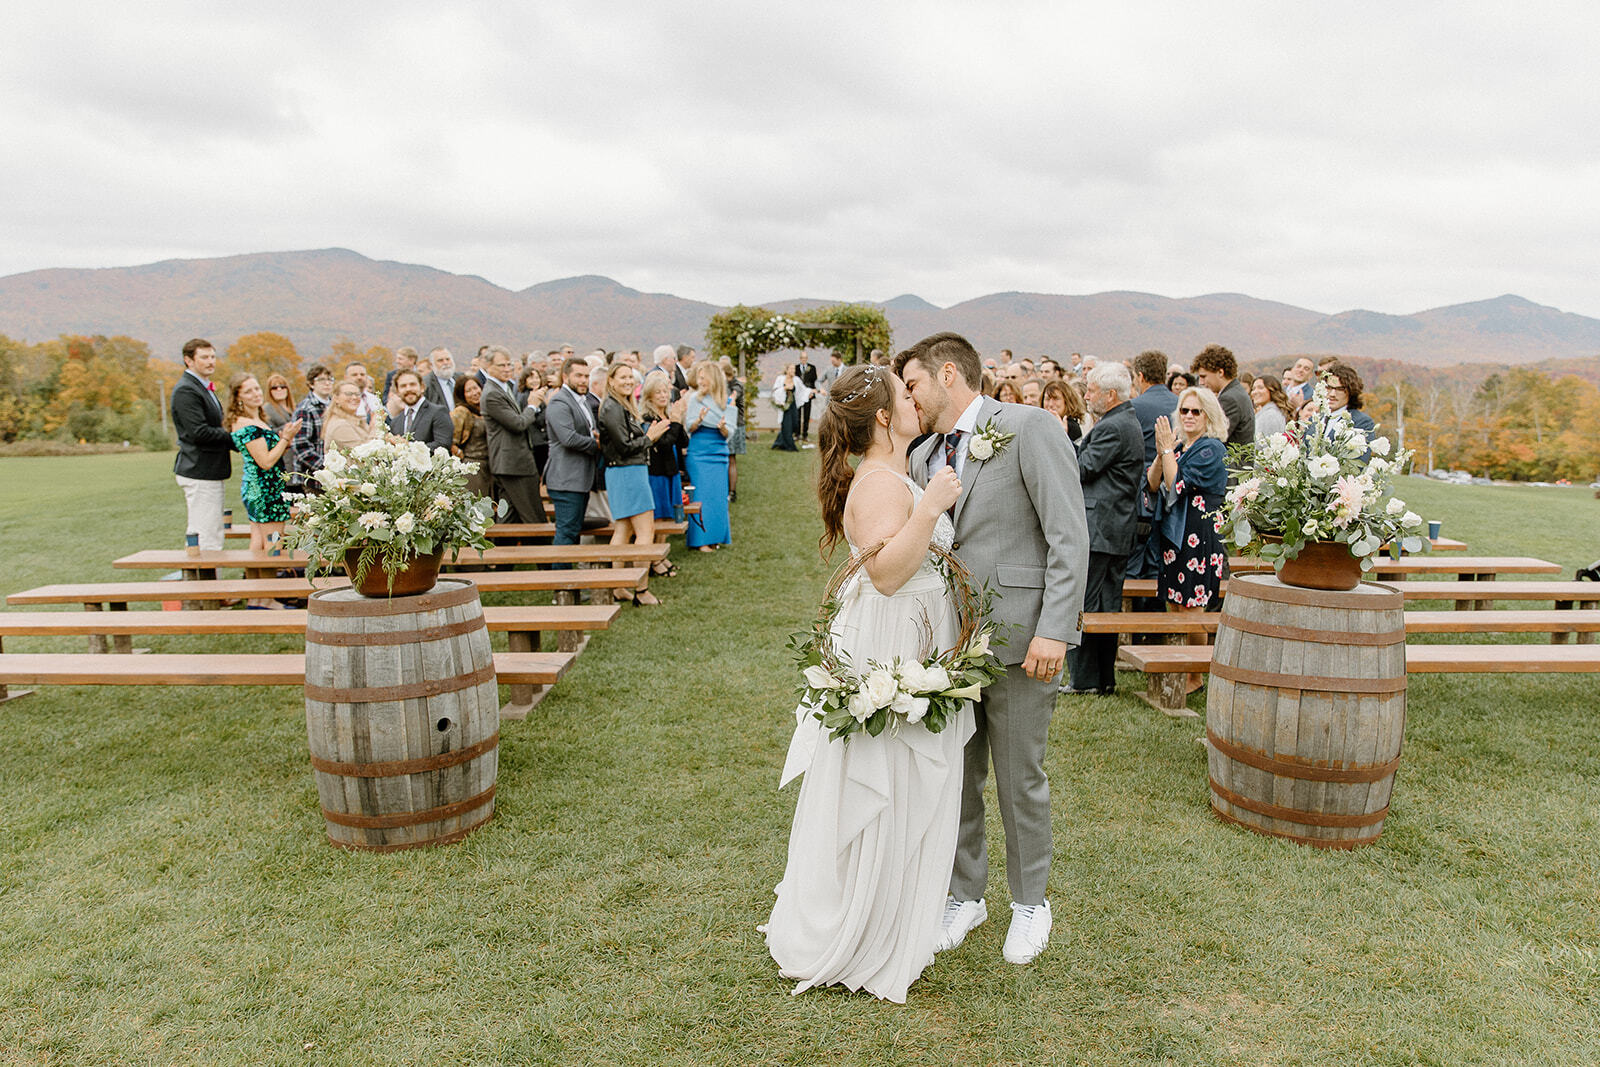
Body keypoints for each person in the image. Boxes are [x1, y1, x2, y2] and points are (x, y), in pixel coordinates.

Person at [763, 363, 972, 1003]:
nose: (915, 401)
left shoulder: (890, 473)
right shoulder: (882, 482)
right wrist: (931, 506)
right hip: (891, 640)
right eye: (904, 395)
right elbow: (886, 574)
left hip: (906, 631)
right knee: (891, 773)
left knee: (909, 779)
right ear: (884, 418)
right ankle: (868, 925)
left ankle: (896, 911)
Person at [897, 332, 1088, 966]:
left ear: (947, 375)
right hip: (949, 645)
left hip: (1022, 636)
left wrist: (1054, 629)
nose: (909, 397)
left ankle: (1031, 904)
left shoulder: (1029, 427)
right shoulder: (925, 455)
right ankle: (966, 895)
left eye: (914, 384)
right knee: (956, 774)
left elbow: (1068, 535)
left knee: (1019, 778)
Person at [1062, 364, 1144, 695]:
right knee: (1104, 604)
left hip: (1100, 527)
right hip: (1113, 526)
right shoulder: (1122, 421)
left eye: (1091, 391)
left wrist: (1062, 442)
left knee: (1086, 603)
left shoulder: (1114, 426)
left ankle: (1084, 680)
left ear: (1109, 395)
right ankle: (1101, 679)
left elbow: (1084, 467)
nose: (1086, 396)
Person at [1149, 387, 1229, 694]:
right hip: (1176, 535)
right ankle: (1183, 665)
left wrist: (1168, 451)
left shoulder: (1212, 449)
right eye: (1184, 411)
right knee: (1175, 602)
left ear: (1209, 415)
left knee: (1193, 607)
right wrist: (1161, 452)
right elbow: (1154, 482)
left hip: (1200, 536)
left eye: (1197, 411)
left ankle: (1196, 675)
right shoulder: (1182, 447)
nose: (1190, 416)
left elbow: (1176, 484)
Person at [598, 364, 678, 605]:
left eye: (630, 378)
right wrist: (649, 438)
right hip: (627, 472)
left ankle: (619, 586)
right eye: (622, 377)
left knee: (623, 530)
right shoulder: (612, 408)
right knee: (646, 532)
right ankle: (641, 589)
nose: (627, 381)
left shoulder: (620, 405)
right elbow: (623, 446)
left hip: (626, 471)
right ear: (610, 380)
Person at [224, 374, 302, 608]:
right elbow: (266, 461)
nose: (256, 394)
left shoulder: (256, 420)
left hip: (261, 489)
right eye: (248, 391)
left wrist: (283, 438)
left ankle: (256, 598)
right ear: (238, 397)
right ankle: (268, 599)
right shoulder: (245, 424)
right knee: (273, 544)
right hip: (265, 491)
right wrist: (285, 439)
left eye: (257, 389)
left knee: (258, 544)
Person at [169, 338, 235, 551]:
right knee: (206, 536)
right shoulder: (186, 390)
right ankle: (205, 583)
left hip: (210, 470)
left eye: (213, 356)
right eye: (204, 357)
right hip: (200, 469)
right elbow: (199, 432)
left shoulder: (203, 388)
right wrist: (238, 437)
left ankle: (210, 580)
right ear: (188, 360)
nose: (211, 362)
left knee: (213, 532)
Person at [480, 345, 547, 524]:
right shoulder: (492, 393)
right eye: (501, 365)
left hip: (513, 463)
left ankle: (502, 548)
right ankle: (540, 550)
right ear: (488, 366)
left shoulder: (505, 387)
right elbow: (518, 424)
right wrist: (533, 405)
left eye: (509, 364)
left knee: (509, 515)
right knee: (533, 516)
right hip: (513, 464)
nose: (507, 369)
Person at [544, 356, 601, 561]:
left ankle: (570, 585)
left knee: (573, 532)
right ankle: (560, 589)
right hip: (566, 478)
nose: (583, 380)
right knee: (566, 534)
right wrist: (597, 445)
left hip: (580, 478)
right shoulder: (560, 401)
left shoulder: (582, 400)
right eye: (578, 375)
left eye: (586, 376)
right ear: (565, 376)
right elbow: (568, 438)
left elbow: (588, 430)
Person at [684, 362, 734, 552]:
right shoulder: (695, 400)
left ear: (713, 379)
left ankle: (716, 537)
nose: (700, 381)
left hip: (719, 451)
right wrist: (698, 420)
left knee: (718, 497)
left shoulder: (726, 402)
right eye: (699, 378)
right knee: (702, 495)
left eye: (703, 377)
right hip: (700, 452)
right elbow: (689, 426)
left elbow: (730, 432)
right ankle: (700, 540)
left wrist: (723, 429)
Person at [640, 375, 689, 562]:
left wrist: (678, 420)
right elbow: (664, 445)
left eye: (665, 391)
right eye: (658, 392)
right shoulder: (649, 418)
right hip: (657, 472)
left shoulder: (668, 415)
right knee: (657, 517)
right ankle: (654, 558)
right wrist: (675, 423)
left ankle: (661, 556)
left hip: (672, 470)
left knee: (668, 516)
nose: (662, 396)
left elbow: (684, 441)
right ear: (649, 396)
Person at [1191, 344, 1254, 449]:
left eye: (1203, 376)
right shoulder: (1235, 392)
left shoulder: (1230, 399)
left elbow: (1214, 436)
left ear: (1220, 372)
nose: (1201, 382)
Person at [288, 363, 335, 493]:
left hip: (334, 478)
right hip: (312, 479)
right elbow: (300, 446)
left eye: (330, 379)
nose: (327, 383)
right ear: (311, 384)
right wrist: (325, 467)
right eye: (321, 380)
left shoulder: (335, 406)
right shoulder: (305, 408)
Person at [385, 370, 452, 453]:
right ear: (398, 392)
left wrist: (409, 447)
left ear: (422, 387)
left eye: (412, 384)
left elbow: (443, 445)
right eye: (403, 386)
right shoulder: (395, 422)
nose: (408, 389)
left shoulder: (438, 412)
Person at [450, 375, 493, 500]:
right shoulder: (461, 411)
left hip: (488, 467)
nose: (474, 393)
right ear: (462, 395)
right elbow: (451, 441)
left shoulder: (485, 410)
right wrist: (461, 455)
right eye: (468, 391)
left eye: (476, 388)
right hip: (473, 468)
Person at [322, 381, 385, 452]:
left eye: (357, 394)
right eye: (348, 394)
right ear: (336, 398)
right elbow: (365, 454)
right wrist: (376, 426)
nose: (354, 397)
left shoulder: (356, 420)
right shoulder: (340, 425)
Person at [719, 356, 747, 502]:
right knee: (727, 458)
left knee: (731, 458)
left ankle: (732, 492)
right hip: (726, 424)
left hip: (735, 425)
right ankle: (725, 489)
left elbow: (731, 399)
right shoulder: (726, 384)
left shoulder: (736, 385)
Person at [770, 365, 809, 452]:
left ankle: (779, 442)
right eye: (791, 369)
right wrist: (784, 388)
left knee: (795, 424)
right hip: (785, 405)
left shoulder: (796, 379)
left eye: (794, 369)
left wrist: (812, 392)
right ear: (787, 370)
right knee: (787, 425)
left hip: (793, 405)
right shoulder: (780, 379)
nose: (793, 370)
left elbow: (803, 389)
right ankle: (790, 446)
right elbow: (775, 391)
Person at [1040, 379, 1086, 444]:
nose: (1050, 404)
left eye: (1056, 399)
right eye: (1047, 399)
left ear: (1067, 401)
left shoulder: (1072, 427)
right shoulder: (1038, 423)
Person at [1251, 374, 1293, 440]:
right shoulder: (1268, 412)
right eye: (1253, 389)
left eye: (1260, 388)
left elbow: (1264, 446)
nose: (1255, 392)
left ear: (1272, 390)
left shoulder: (1270, 415)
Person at [795, 351, 819, 442]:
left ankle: (805, 434)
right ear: (800, 358)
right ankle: (797, 434)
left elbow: (814, 382)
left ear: (807, 358)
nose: (804, 359)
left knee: (806, 415)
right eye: (802, 358)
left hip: (808, 394)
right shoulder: (796, 368)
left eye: (805, 358)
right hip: (798, 395)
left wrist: (812, 393)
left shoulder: (812, 368)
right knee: (797, 415)